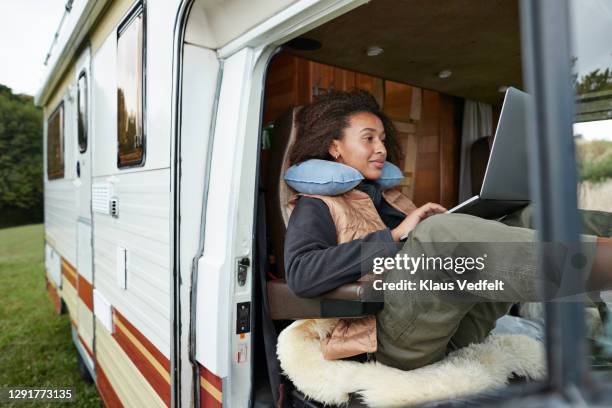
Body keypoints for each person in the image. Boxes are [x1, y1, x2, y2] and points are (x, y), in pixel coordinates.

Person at [283, 89, 612, 371]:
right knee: (438, 233)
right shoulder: (316, 204)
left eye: (383, 139)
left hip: (449, 325)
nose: (381, 148)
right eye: (368, 138)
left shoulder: (391, 198)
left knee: (529, 216)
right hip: (383, 340)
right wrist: (396, 237)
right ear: (334, 146)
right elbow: (301, 274)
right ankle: (602, 263)